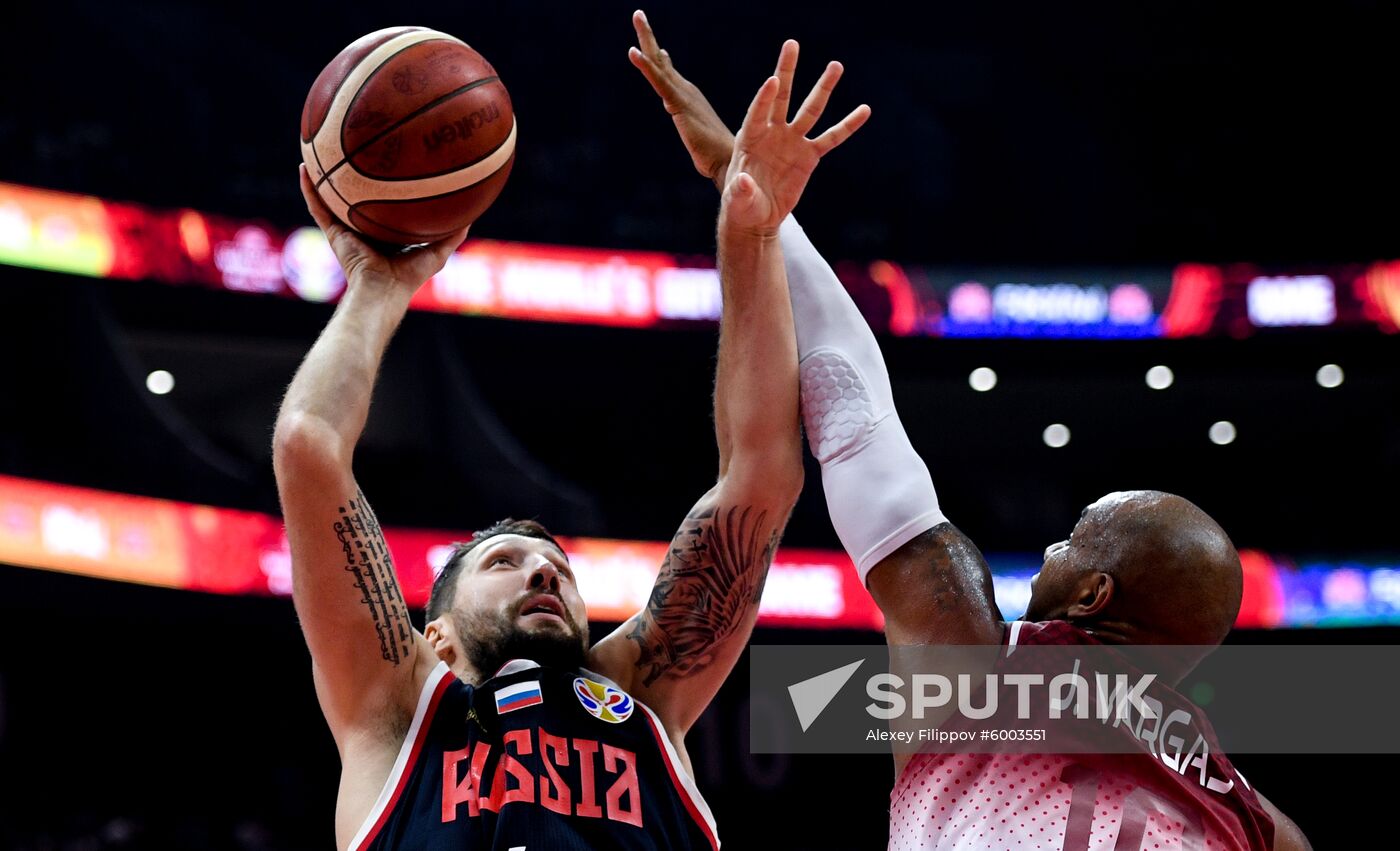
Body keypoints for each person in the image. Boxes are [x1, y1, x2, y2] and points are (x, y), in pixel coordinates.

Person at [628, 10, 1311, 849]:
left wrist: (757, 205)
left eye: (1072, 539)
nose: (1051, 551)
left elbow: (849, 406)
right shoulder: (1250, 815)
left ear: (1095, 597)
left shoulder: (989, 670)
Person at [271, 35, 868, 851]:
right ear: (434, 636)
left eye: (551, 563)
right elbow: (309, 445)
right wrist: (381, 283)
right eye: (504, 562)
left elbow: (761, 473)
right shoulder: (396, 708)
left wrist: (751, 235)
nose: (545, 566)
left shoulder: (642, 698)